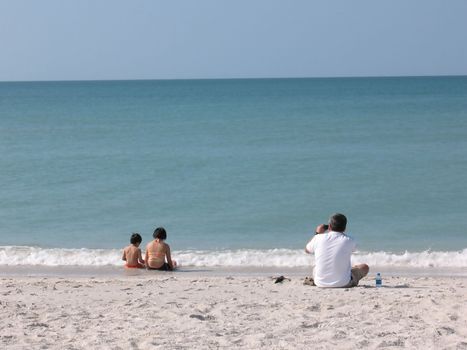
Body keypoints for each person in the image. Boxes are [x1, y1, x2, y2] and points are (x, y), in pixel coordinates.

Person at [304, 213, 369, 287]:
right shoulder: (349, 240)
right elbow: (354, 250)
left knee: (316, 267)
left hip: (320, 283)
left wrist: (317, 233)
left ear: (329, 226)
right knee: (364, 267)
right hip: (343, 283)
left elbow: (307, 250)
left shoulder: (318, 238)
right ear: (345, 228)